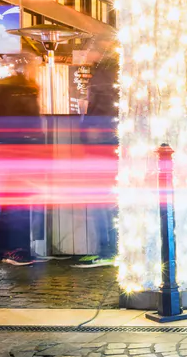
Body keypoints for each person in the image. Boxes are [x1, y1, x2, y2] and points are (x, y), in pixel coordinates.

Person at [0, 55, 43, 266]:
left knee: (5, 199)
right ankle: (17, 249)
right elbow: (34, 120)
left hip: (3, 144)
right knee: (18, 200)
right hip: (23, 147)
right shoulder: (29, 89)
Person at [74, 50, 119, 268]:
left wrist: (87, 129)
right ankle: (111, 249)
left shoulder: (104, 75)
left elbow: (100, 109)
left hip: (102, 147)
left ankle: (108, 250)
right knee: (107, 200)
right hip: (110, 145)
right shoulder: (112, 74)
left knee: (102, 201)